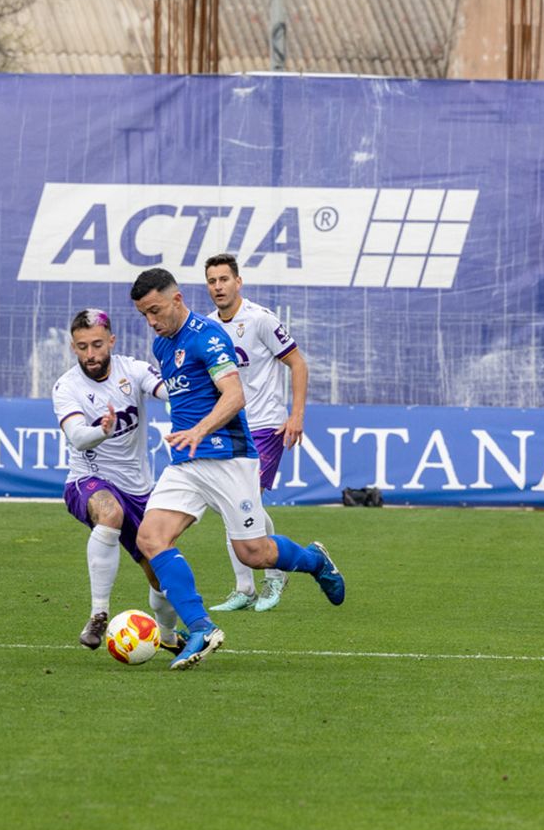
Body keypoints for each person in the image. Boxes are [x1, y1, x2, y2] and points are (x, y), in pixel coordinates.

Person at [130, 267, 344, 671]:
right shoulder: (162, 345)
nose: (151, 321)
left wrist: (200, 429)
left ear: (177, 299)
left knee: (254, 553)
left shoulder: (208, 337)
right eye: (144, 315)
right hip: (187, 462)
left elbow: (235, 395)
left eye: (155, 311)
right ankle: (201, 628)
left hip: (228, 456)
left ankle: (314, 560)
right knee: (151, 538)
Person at [52, 309, 187, 653]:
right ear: (73, 347)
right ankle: (99, 615)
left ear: (111, 341)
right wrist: (102, 430)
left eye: (97, 344)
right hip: (89, 479)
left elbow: (167, 390)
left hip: (139, 490)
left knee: (161, 574)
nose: (91, 354)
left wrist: (186, 389)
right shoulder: (66, 386)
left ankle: (168, 635)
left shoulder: (134, 370)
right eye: (82, 346)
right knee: (110, 513)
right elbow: (77, 438)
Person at [203, 253, 309, 613]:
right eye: (212, 281)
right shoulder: (207, 327)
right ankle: (245, 588)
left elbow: (297, 363)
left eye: (224, 279)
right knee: (233, 504)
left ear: (238, 282)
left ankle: (273, 576)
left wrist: (296, 416)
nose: (218, 287)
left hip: (265, 426)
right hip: (230, 426)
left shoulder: (260, 319)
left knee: (241, 501)